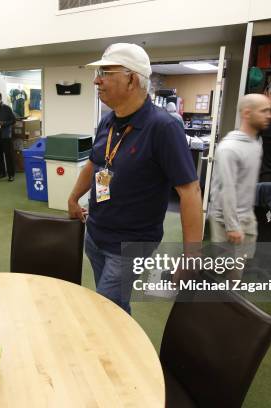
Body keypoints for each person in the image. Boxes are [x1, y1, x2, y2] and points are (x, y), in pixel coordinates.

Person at [67, 43, 203, 313]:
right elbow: (94, 166)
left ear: (131, 79)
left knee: (104, 308)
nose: (97, 80)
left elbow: (190, 192)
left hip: (131, 244)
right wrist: (73, 198)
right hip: (96, 234)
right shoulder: (108, 121)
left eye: (105, 72)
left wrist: (191, 256)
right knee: (115, 306)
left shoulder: (163, 127)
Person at [208, 94, 271, 277]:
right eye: (264, 111)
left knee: (237, 272)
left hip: (246, 216)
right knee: (228, 277)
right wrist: (232, 226)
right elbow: (225, 189)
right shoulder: (229, 149)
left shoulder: (255, 143)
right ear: (247, 113)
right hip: (226, 220)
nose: (270, 115)